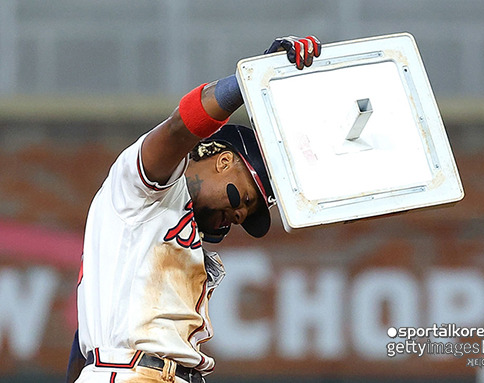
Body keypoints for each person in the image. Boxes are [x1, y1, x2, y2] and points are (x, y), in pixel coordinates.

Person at [66, 35, 321, 383]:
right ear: (224, 160)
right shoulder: (145, 189)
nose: (239, 215)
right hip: (129, 372)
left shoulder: (170, 225)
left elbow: (81, 343)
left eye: (247, 215)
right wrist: (247, 83)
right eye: (244, 199)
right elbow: (177, 129)